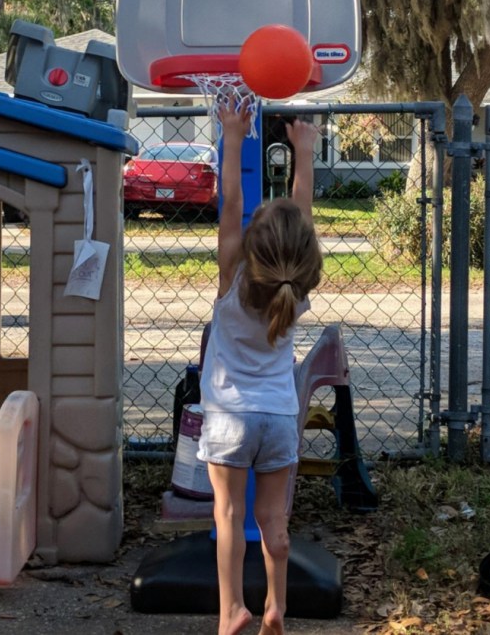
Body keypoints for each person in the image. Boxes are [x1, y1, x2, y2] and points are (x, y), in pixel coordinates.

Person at [197, 97, 323, 635]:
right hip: (276, 417)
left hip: (228, 418)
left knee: (229, 517)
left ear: (253, 243)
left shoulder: (234, 274)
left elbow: (231, 201)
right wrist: (304, 153)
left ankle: (232, 613)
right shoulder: (298, 290)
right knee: (275, 524)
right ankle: (277, 606)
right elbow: (302, 217)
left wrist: (232, 135)